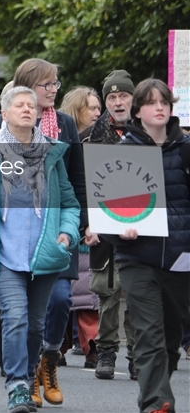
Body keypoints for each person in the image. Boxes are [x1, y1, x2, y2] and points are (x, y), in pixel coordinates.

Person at [0, 85, 80, 413]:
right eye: (19, 105)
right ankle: (17, 386)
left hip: (45, 254)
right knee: (15, 317)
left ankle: (27, 379)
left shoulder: (53, 154)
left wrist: (67, 234)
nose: (26, 109)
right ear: (5, 113)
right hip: (3, 254)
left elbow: (69, 204)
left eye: (31, 105)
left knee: (36, 325)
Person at [0, 59, 87, 406]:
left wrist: (80, 225)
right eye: (46, 84)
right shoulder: (0, 124)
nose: (53, 90)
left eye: (56, 84)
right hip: (12, 235)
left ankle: (49, 359)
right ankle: (23, 378)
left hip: (56, 231)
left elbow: (76, 178)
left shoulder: (66, 125)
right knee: (17, 312)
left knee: (58, 301)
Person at [103, 79, 190, 413]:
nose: (160, 107)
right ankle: (158, 402)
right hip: (137, 259)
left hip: (180, 259)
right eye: (152, 102)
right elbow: (106, 209)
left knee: (170, 340)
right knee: (149, 334)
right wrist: (117, 232)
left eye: (165, 102)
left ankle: (152, 399)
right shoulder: (121, 153)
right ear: (138, 111)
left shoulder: (185, 149)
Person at [84, 70, 138, 380]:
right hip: (103, 228)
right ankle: (105, 352)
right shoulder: (90, 137)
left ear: (133, 98)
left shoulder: (148, 134)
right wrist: (86, 225)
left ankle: (135, 354)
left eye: (124, 96)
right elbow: (81, 187)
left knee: (137, 293)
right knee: (107, 292)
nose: (118, 102)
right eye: (112, 97)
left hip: (142, 224)